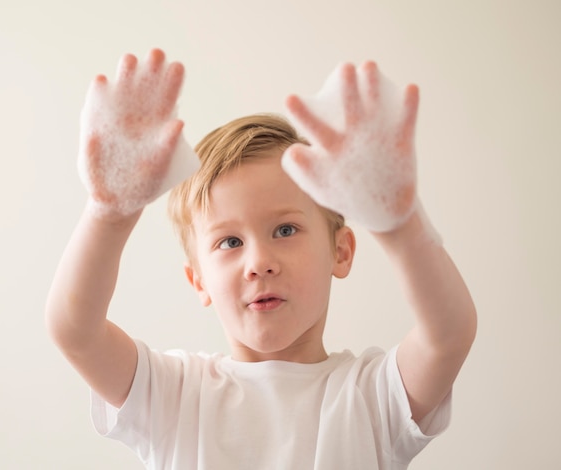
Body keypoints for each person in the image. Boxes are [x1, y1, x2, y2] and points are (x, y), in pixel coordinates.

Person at [45, 48, 477, 469]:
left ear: (340, 251)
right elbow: (75, 331)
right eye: (230, 242)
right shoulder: (172, 396)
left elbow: (449, 333)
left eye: (285, 230)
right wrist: (110, 214)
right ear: (199, 281)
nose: (259, 263)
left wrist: (398, 224)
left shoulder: (372, 397)